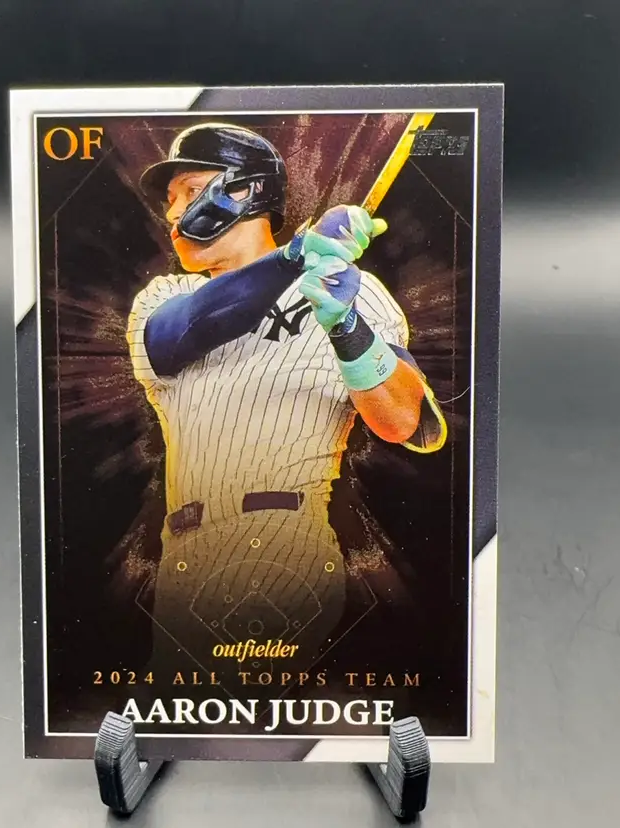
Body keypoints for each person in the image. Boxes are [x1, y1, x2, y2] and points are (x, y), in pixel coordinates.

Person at [127, 122, 446, 685]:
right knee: (184, 710)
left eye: (189, 191)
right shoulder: (166, 297)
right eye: (169, 199)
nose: (172, 214)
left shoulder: (350, 287)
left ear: (245, 190)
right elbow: (183, 332)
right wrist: (295, 257)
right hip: (184, 555)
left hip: (280, 536)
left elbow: (404, 421)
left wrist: (346, 327)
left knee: (218, 708)